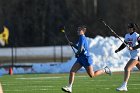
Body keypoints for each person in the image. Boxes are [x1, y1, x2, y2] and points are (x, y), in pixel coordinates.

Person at [61, 25, 112, 93]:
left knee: (92, 75)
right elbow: (80, 48)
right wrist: (73, 45)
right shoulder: (80, 38)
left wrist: (77, 53)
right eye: (77, 30)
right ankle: (69, 87)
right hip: (80, 59)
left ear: (83, 31)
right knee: (72, 71)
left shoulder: (82, 38)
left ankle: (105, 70)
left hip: (86, 58)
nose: (77, 31)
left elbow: (81, 49)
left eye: (79, 30)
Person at [115, 23, 140, 91]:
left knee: (127, 68)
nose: (128, 28)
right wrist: (118, 49)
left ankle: (124, 86)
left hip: (136, 55)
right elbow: (124, 44)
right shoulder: (127, 35)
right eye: (128, 27)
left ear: (133, 28)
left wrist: (133, 48)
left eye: (129, 27)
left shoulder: (137, 35)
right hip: (133, 55)